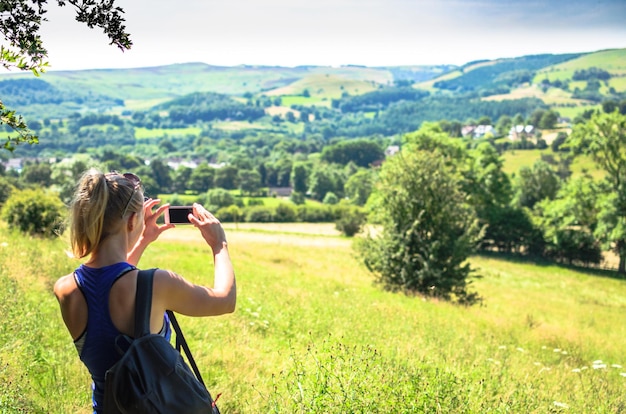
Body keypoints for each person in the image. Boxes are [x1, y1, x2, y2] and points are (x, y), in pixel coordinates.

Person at [53, 169, 236, 413]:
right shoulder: (158, 283)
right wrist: (219, 244)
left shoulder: (66, 288)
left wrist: (141, 240)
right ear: (131, 221)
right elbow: (225, 301)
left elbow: (108, 286)